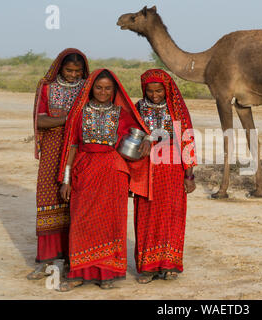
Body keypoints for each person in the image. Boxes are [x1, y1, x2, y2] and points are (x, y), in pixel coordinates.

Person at [56, 69, 150, 291]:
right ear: (91, 88)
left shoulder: (121, 113)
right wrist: (66, 179)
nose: (103, 92)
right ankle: (77, 273)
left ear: (114, 90)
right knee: (81, 220)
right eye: (99, 87)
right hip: (85, 169)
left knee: (110, 223)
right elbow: (72, 145)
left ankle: (107, 273)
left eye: (108, 88)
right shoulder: (79, 113)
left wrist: (147, 138)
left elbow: (141, 130)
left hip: (113, 172)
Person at [130, 69, 197, 284]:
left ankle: (170, 264)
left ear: (166, 89)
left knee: (171, 214)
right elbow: (131, 134)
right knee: (147, 214)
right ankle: (148, 267)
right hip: (146, 169)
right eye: (149, 90)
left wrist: (189, 175)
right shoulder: (138, 107)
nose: (154, 94)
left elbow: (187, 139)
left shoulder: (176, 108)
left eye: (158, 90)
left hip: (172, 169)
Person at [27, 48, 89, 280]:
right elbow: (39, 121)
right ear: (59, 68)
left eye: (78, 71)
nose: (73, 75)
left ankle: (74, 259)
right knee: (48, 200)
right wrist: (68, 119)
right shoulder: (46, 87)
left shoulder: (88, 88)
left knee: (76, 201)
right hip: (52, 152)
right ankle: (46, 260)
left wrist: (58, 121)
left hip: (79, 152)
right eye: (69, 70)